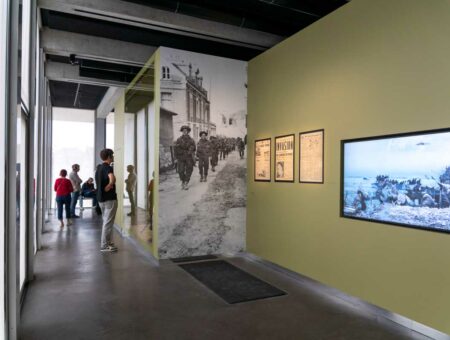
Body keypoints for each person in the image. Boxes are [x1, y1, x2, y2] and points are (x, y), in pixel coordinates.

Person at [95, 149, 118, 252]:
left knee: (106, 221)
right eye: (112, 155)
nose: (113, 157)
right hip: (109, 199)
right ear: (109, 157)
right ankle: (104, 245)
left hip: (101, 198)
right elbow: (112, 179)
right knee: (108, 222)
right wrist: (110, 185)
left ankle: (107, 242)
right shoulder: (108, 167)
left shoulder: (99, 168)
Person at [174, 125, 196, 190]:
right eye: (183, 131)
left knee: (189, 169)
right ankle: (183, 181)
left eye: (186, 131)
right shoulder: (179, 139)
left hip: (189, 157)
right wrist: (176, 158)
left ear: (188, 131)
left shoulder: (191, 140)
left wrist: (190, 150)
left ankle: (186, 182)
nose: (184, 132)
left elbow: (194, 148)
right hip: (181, 157)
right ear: (182, 131)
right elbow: (175, 148)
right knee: (180, 171)